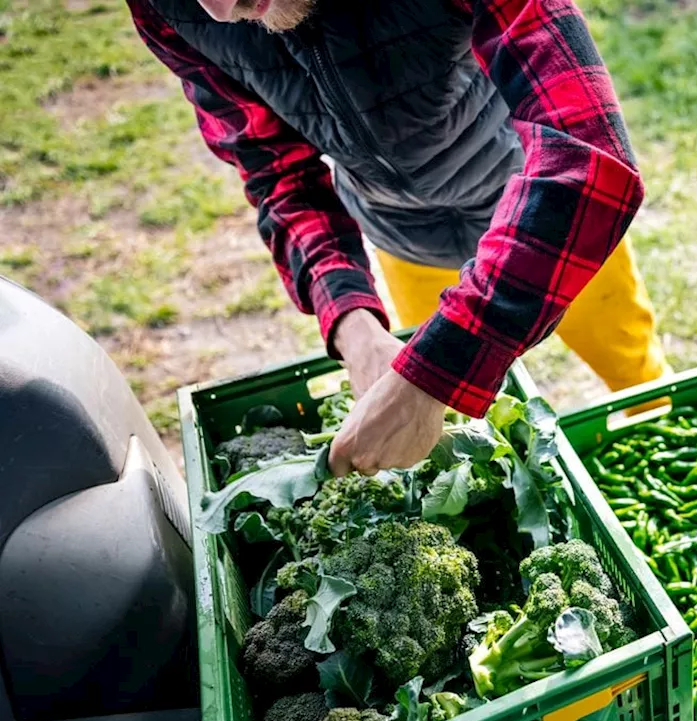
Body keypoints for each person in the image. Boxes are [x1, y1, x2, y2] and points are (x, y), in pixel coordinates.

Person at [127, 0, 669, 475]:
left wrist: (436, 372)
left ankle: (655, 435)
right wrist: (353, 327)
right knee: (451, 436)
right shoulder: (168, 7)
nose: (220, 10)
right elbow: (277, 172)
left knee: (631, 364)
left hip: (541, 211)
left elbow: (588, 156)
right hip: (400, 232)